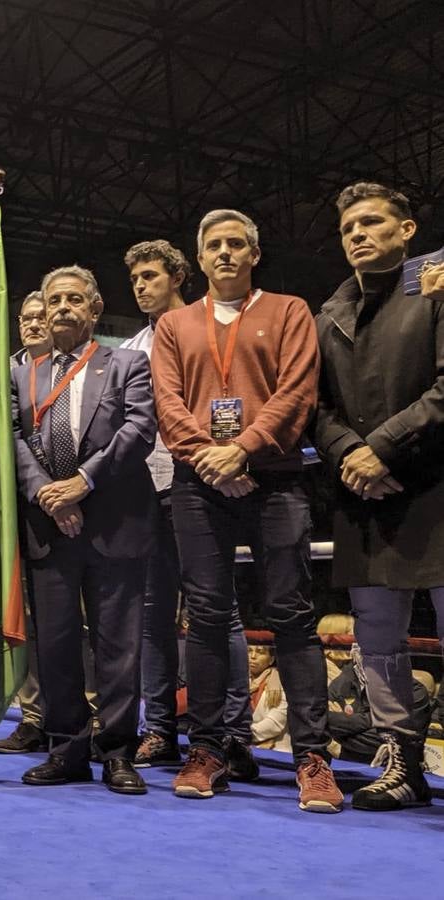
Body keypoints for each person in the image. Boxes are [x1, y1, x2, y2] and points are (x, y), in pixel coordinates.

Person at [152, 208, 342, 812]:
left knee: (290, 613)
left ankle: (312, 757)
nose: (226, 253)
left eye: (238, 244)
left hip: (276, 477)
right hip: (199, 481)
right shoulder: (176, 324)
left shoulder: (289, 311)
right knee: (206, 615)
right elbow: (168, 401)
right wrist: (212, 457)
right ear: (201, 257)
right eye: (215, 245)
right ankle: (207, 749)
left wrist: (243, 450)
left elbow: (298, 392)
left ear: (254, 254)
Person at [313, 181, 444, 810]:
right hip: (365, 494)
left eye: (372, 223)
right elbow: (317, 409)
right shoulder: (329, 313)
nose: (359, 235)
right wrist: (350, 455)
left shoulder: (438, 286)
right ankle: (403, 763)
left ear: (407, 229)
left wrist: (382, 449)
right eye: (348, 229)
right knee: (379, 639)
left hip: (436, 485)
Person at [10, 265, 156, 795]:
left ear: (95, 310)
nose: (64, 308)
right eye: (55, 301)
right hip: (48, 524)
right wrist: (49, 495)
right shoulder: (20, 373)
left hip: (116, 520)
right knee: (55, 644)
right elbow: (9, 439)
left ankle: (118, 752)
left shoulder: (128, 363)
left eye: (75, 300)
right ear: (43, 312)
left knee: (119, 646)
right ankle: (66, 749)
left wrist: (82, 485)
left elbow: (140, 430)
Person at [119, 242, 255, 775]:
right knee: (153, 615)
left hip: (199, 481)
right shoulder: (130, 348)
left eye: (151, 276)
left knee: (220, 610)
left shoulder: (208, 327)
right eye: (135, 279)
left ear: (178, 275)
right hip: (143, 492)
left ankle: (235, 734)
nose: (141, 286)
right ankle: (159, 729)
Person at [0, 291, 53, 753]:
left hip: (73, 506)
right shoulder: (5, 375)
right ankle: (32, 716)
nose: (32, 324)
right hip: (20, 513)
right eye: (25, 318)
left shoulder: (80, 368)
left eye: (40, 317)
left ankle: (82, 713)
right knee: (23, 617)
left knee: (78, 624)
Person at [248, 645, 290, 751]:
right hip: (241, 746)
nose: (253, 656)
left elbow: (274, 724)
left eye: (260, 652)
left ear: (271, 659)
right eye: (249, 650)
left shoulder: (280, 683)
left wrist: (240, 733)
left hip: (274, 750)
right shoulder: (240, 681)